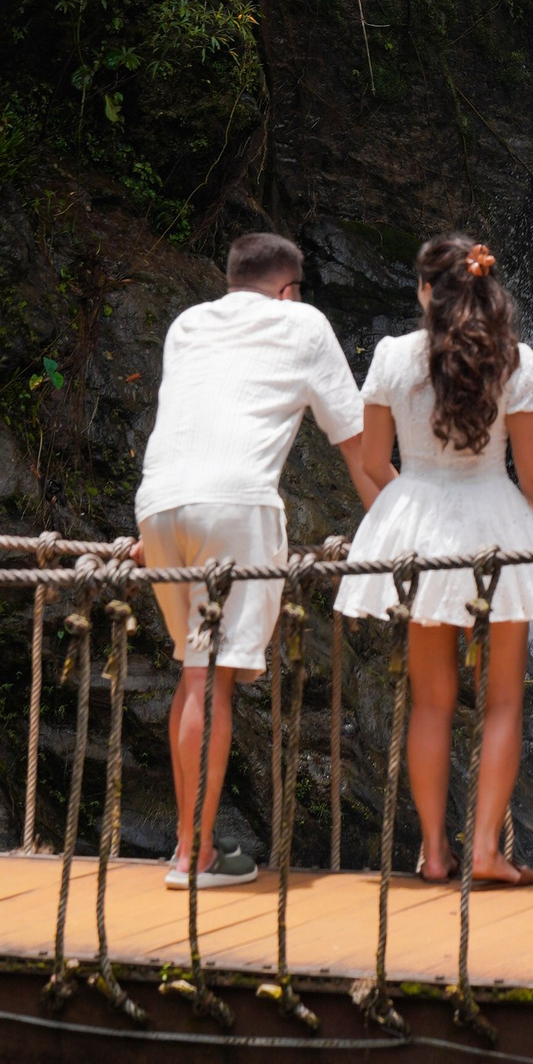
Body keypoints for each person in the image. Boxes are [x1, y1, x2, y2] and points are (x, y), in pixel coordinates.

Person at [134, 229, 369, 889]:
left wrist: (152, 531)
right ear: (288, 290)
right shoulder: (304, 323)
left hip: (158, 506)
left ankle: (194, 849)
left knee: (194, 671)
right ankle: (192, 856)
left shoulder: (187, 326)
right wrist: (397, 527)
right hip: (233, 510)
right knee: (212, 679)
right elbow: (356, 445)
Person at [337, 233, 533, 884]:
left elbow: (375, 464)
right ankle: (486, 848)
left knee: (431, 701)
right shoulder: (513, 358)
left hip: (421, 524)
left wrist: (405, 516)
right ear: (485, 288)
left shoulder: (394, 357)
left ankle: (434, 853)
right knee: (504, 701)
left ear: (426, 290)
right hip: (495, 519)